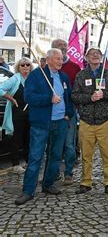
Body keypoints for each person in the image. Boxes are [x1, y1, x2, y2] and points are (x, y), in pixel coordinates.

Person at [14, 49, 75, 205]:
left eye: (61, 59)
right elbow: (29, 97)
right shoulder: (36, 76)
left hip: (60, 122)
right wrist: (49, 99)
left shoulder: (63, 77)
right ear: (48, 60)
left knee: (55, 156)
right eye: (57, 59)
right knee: (36, 157)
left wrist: (68, 113)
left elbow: (69, 97)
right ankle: (28, 190)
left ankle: (48, 184)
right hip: (41, 123)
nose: (61, 61)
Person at [72, 46, 108, 195]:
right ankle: (86, 182)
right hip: (86, 121)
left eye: (98, 54)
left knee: (107, 154)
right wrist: (90, 98)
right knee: (86, 155)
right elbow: (74, 95)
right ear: (86, 58)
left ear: (101, 57)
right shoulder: (81, 75)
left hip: (105, 121)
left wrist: (104, 95)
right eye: (91, 54)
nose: (95, 55)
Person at [51, 39, 81, 186]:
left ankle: (68, 172)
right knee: (54, 145)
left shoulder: (75, 67)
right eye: (59, 46)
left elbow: (78, 91)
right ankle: (53, 172)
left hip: (69, 112)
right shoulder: (47, 68)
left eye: (64, 46)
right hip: (52, 115)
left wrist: (70, 110)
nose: (63, 48)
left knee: (69, 144)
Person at [0, 57, 33, 173]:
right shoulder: (15, 78)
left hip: (30, 113)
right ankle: (15, 165)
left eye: (27, 65)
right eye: (22, 65)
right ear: (18, 67)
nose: (25, 67)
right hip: (17, 113)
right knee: (17, 138)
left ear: (30, 67)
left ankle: (29, 162)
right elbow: (1, 89)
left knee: (28, 138)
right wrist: (11, 99)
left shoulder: (33, 79)